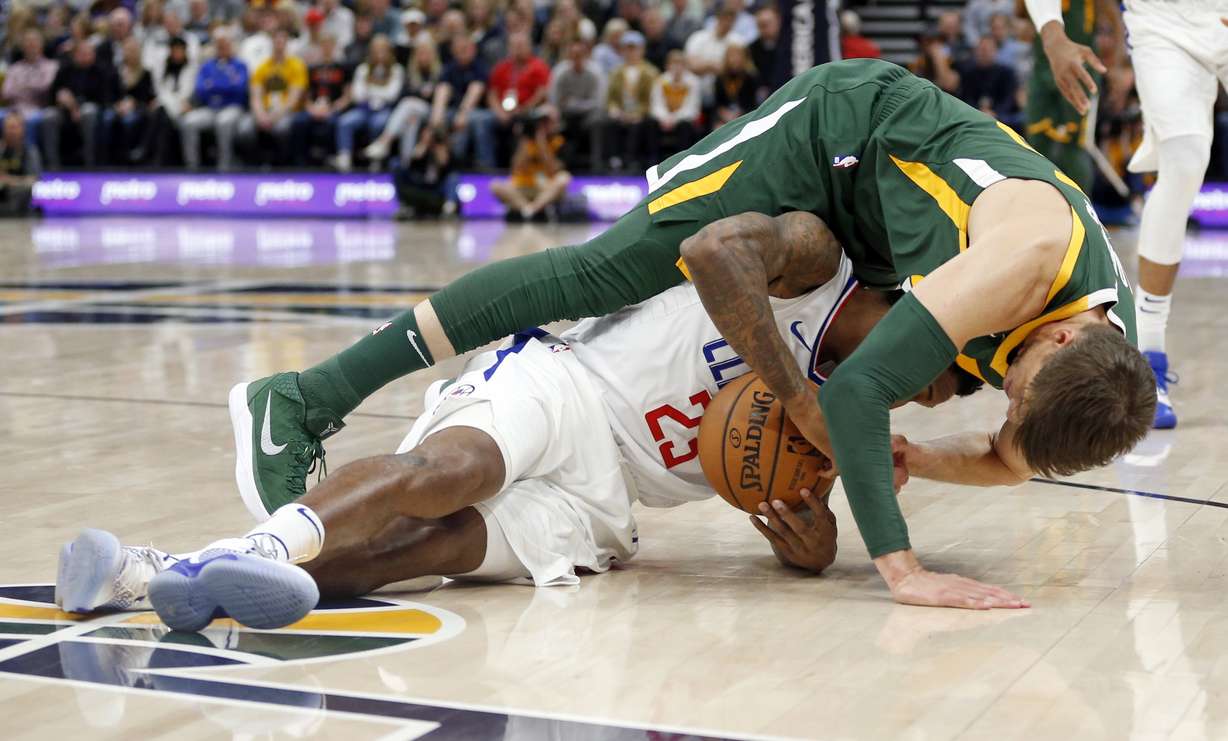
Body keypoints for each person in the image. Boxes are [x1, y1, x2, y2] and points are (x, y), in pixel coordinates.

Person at [227, 59, 1154, 610]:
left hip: (885, 223)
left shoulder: (1086, 372)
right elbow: (858, 392)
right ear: (1065, 338)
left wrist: (904, 453)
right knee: (603, 272)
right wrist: (900, 564)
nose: (1007, 381)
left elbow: (1006, 457)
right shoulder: (1026, 255)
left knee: (877, 392)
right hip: (841, 135)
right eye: (1019, 373)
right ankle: (307, 396)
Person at [59, 217, 971, 624]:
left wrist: (803, 538)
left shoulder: (860, 413)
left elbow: (810, 545)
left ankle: (158, 575)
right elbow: (717, 250)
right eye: (948, 374)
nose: (930, 396)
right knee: (448, 476)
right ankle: (254, 551)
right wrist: (797, 397)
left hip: (612, 503)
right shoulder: (816, 260)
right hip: (567, 383)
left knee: (427, 549)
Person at [1025, 0, 1189, 429]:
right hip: (1057, 61)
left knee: (1076, 157)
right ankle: (1150, 356)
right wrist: (1052, 36)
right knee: (1039, 152)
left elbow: (1112, 20)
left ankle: (1077, 231)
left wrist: (1115, 62)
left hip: (1184, 31)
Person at [363, 35, 441, 169]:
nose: (423, 57)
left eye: (426, 53)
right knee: (411, 120)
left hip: (433, 113)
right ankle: (407, 164)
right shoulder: (411, 73)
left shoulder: (439, 73)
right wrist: (420, 94)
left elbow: (437, 99)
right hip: (412, 113)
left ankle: (384, 141)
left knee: (409, 104)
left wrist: (420, 95)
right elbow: (402, 94)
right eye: (420, 54)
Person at [181, 28, 248, 171]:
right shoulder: (207, 66)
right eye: (219, 44)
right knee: (188, 122)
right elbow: (200, 90)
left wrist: (214, 85)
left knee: (223, 122)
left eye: (225, 43)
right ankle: (192, 167)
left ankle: (224, 167)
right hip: (210, 108)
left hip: (233, 107)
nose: (222, 47)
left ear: (231, 44)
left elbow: (239, 89)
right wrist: (226, 84)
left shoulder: (240, 65)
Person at [332, 34, 402, 172]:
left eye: (383, 50)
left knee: (378, 123)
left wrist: (371, 89)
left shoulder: (396, 69)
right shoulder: (363, 69)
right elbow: (358, 95)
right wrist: (379, 90)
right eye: (376, 50)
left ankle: (375, 161)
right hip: (363, 109)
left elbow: (392, 95)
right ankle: (344, 158)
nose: (380, 54)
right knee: (345, 122)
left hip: (384, 109)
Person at [239, 28, 307, 166]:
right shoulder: (263, 67)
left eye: (282, 41)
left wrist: (275, 116)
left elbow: (294, 98)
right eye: (276, 41)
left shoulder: (296, 65)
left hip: (286, 111)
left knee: (281, 128)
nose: (279, 44)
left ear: (287, 43)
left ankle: (282, 165)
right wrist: (261, 115)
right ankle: (254, 165)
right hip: (265, 110)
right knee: (244, 129)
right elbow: (255, 96)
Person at [43, 41, 116, 169]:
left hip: (91, 110)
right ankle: (52, 165)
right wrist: (61, 99)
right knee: (49, 116)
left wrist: (75, 105)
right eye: (82, 54)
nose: (85, 57)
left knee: (88, 112)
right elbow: (53, 94)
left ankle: (90, 163)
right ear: (74, 55)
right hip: (65, 111)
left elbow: (105, 98)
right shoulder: (65, 69)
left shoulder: (100, 70)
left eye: (88, 54)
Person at [485, 30, 551, 167]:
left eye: (521, 45)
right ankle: (487, 165)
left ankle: (520, 166)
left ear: (529, 46)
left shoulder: (538, 66)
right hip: (503, 112)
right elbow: (492, 94)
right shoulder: (501, 68)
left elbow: (542, 93)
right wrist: (500, 112)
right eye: (514, 46)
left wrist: (524, 109)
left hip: (528, 111)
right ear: (509, 48)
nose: (518, 49)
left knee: (526, 124)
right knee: (482, 122)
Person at [491, 113, 570, 221]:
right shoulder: (522, 141)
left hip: (544, 187)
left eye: (545, 123)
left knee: (564, 178)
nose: (542, 127)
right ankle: (529, 209)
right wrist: (525, 142)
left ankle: (532, 209)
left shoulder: (558, 141)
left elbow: (554, 168)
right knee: (495, 185)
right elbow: (515, 168)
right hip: (522, 186)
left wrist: (541, 143)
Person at [291, 34, 351, 167]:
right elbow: (306, 95)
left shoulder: (343, 68)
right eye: (324, 45)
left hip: (334, 108)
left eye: (330, 45)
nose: (327, 48)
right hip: (314, 108)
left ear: (335, 47)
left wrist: (333, 109)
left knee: (333, 123)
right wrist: (311, 108)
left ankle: (329, 160)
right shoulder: (312, 68)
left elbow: (347, 95)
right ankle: (299, 161)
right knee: (298, 121)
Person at [432, 35, 490, 169]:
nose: (462, 52)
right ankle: (436, 166)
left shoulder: (479, 66)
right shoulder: (449, 68)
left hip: (477, 110)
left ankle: (482, 166)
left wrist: (463, 113)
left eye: (465, 49)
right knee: (441, 120)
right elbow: (442, 88)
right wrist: (437, 118)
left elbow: (476, 89)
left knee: (468, 122)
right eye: (458, 49)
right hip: (452, 110)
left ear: (473, 49)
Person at [603, 30, 657, 171]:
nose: (630, 53)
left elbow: (652, 98)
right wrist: (615, 110)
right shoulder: (616, 72)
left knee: (640, 125)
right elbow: (611, 97)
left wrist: (638, 113)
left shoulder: (650, 72)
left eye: (634, 49)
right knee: (609, 122)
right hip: (622, 112)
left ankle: (633, 159)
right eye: (627, 49)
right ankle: (614, 159)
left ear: (641, 50)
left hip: (641, 113)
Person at [548, 39, 605, 172]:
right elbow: (554, 101)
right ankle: (556, 165)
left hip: (589, 114)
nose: (576, 58)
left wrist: (574, 103)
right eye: (573, 55)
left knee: (598, 120)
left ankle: (597, 165)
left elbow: (599, 102)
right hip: (565, 114)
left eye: (580, 55)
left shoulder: (595, 72)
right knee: (551, 117)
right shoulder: (560, 72)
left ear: (586, 55)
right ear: (569, 56)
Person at [1, 30, 58, 153]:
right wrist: (29, 87)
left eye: (34, 43)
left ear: (41, 46)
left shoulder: (51, 66)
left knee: (29, 120)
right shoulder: (15, 68)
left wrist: (21, 86)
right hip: (14, 109)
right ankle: (4, 159)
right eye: (28, 44)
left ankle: (28, 160)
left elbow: (46, 87)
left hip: (38, 109)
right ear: (23, 47)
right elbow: (6, 92)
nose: (31, 46)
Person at [148, 36, 196, 166]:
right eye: (174, 50)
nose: (177, 53)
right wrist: (165, 102)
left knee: (161, 113)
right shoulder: (164, 67)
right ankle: (159, 158)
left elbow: (187, 92)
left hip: (185, 106)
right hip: (168, 106)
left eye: (179, 50)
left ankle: (152, 155)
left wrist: (166, 102)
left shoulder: (191, 68)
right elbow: (160, 89)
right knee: (161, 114)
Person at [112, 36, 156, 164]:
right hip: (117, 106)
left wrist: (134, 103)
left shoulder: (145, 72)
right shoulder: (116, 71)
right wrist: (118, 104)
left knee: (130, 120)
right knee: (108, 118)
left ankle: (131, 156)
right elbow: (109, 93)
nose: (130, 53)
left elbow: (148, 96)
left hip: (138, 107)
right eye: (127, 50)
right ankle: (107, 157)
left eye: (133, 50)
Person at [957, 37, 1019, 125]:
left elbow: (1009, 99)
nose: (985, 53)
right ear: (976, 51)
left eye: (988, 50)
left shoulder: (1007, 72)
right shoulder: (968, 73)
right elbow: (966, 98)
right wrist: (979, 111)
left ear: (995, 51)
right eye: (982, 50)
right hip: (974, 115)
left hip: (1002, 115)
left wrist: (995, 113)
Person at [650, 49, 700, 155]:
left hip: (683, 119)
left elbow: (692, 108)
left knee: (684, 126)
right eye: (673, 64)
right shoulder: (661, 81)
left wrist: (674, 119)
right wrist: (665, 117)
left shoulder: (693, 82)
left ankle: (682, 157)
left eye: (680, 64)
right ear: (667, 66)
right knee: (651, 123)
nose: (677, 67)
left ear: (685, 66)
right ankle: (653, 157)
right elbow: (656, 105)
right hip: (665, 119)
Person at [0, 113, 41, 215]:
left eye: (14, 127)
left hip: (17, 193)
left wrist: (9, 181)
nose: (11, 131)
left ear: (22, 129)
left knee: (25, 189)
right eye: (9, 127)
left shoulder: (30, 151)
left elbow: (34, 179)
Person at [713, 43, 757, 128]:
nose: (735, 59)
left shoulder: (750, 77)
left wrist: (739, 114)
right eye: (732, 56)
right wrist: (724, 114)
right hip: (724, 116)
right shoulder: (720, 78)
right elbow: (717, 103)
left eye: (738, 55)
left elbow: (753, 103)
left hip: (744, 116)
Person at [748, 5, 783, 102]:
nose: (764, 29)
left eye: (767, 24)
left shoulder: (789, 45)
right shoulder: (752, 49)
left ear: (778, 21)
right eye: (760, 25)